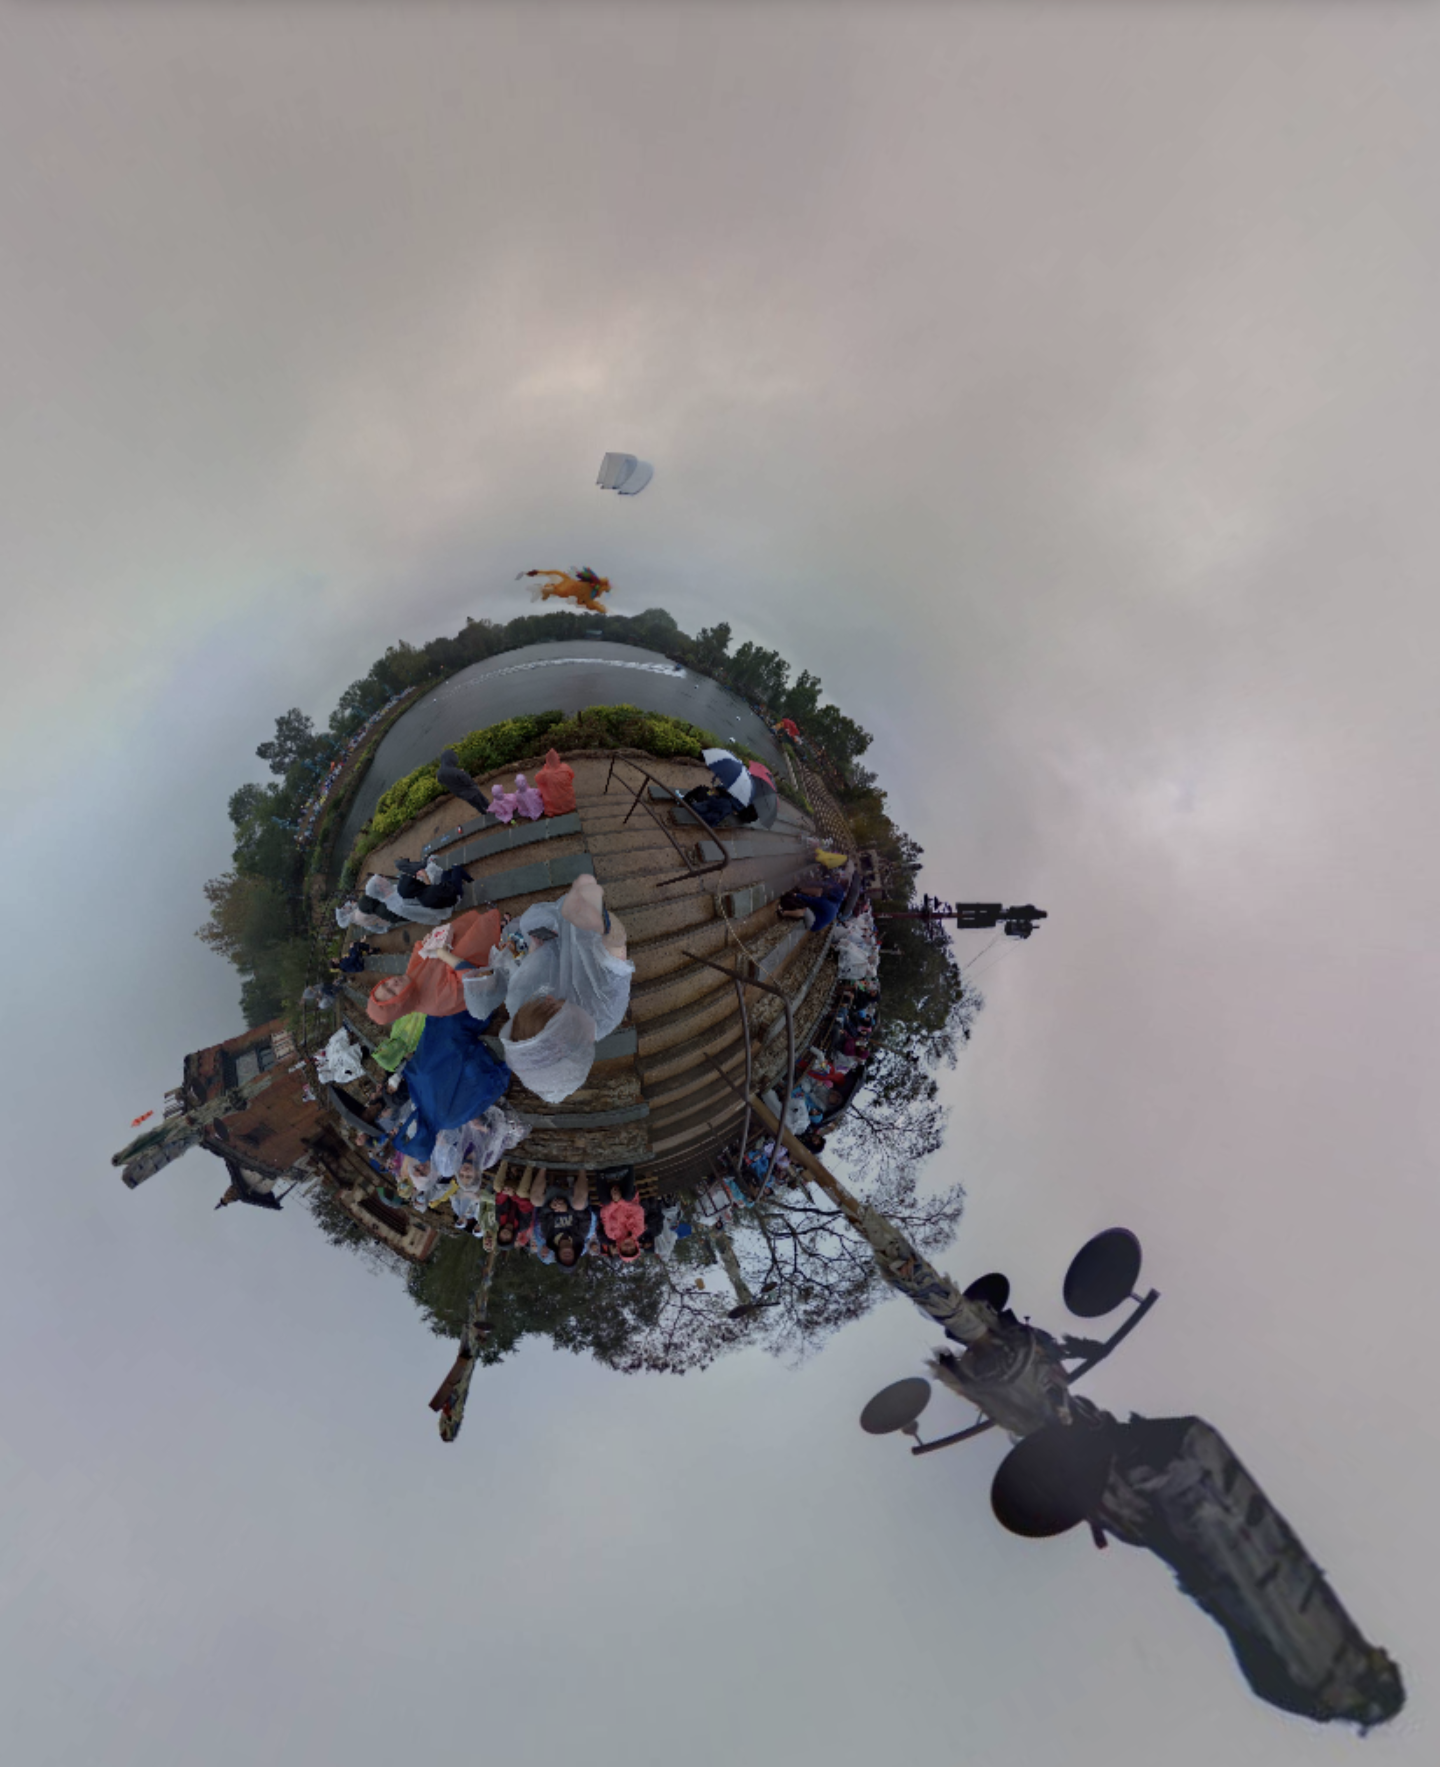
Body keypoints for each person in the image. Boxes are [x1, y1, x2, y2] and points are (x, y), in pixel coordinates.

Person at [437, 875, 632, 1104]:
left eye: (538, 1003)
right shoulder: (605, 1012)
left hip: (560, 934)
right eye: (552, 1007)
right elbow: (617, 951)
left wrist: (536, 948)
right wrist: (602, 923)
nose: (547, 996)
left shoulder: (519, 1005)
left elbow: (529, 972)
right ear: (571, 1036)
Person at [365, 906, 502, 1025]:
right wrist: (443, 954)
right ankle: (499, 929)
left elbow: (419, 952)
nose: (392, 982)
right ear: (401, 1005)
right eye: (392, 992)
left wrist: (427, 943)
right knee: (463, 950)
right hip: (485, 955)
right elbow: (473, 980)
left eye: (385, 984)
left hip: (464, 937)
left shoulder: (409, 980)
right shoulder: (437, 1003)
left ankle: (495, 925)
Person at [533, 1170, 594, 1268]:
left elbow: (542, 1216)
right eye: (570, 1259)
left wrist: (550, 1207)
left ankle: (542, 1167)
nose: (567, 1257)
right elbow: (586, 1216)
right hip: (573, 1199)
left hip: (553, 1199)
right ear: (575, 1255)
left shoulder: (548, 1236)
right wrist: (567, 1209)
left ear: (558, 1256)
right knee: (579, 1205)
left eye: (564, 1260)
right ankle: (582, 1168)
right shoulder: (580, 1236)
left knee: (535, 1201)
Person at [597, 1176, 646, 1262]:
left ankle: (601, 1174)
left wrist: (615, 1202)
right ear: (636, 1246)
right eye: (632, 1249)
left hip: (610, 1200)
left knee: (605, 1200)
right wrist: (620, 1201)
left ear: (620, 1248)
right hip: (629, 1199)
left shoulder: (611, 1234)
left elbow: (604, 1215)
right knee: (628, 1196)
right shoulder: (639, 1230)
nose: (628, 1247)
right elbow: (638, 1210)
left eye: (625, 1251)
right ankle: (627, 1171)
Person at [534, 748, 577, 817]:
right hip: (568, 803)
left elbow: (537, 779)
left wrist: (545, 768)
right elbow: (572, 776)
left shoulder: (544, 774)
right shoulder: (565, 767)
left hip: (554, 806)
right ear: (558, 758)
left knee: (542, 785)